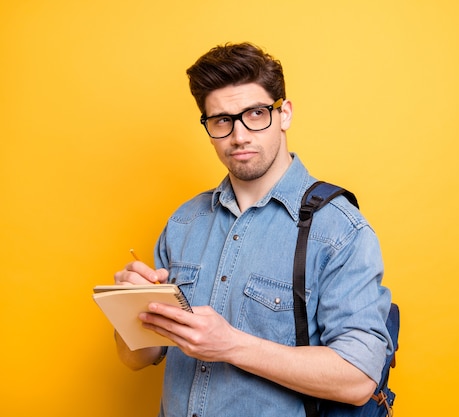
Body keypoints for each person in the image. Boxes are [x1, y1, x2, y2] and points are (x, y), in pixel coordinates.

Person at [113, 42, 392, 417]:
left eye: (256, 114)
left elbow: (358, 379)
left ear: (284, 114)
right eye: (222, 120)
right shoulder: (183, 222)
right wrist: (131, 312)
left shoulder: (340, 230)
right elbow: (137, 358)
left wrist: (229, 345)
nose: (239, 135)